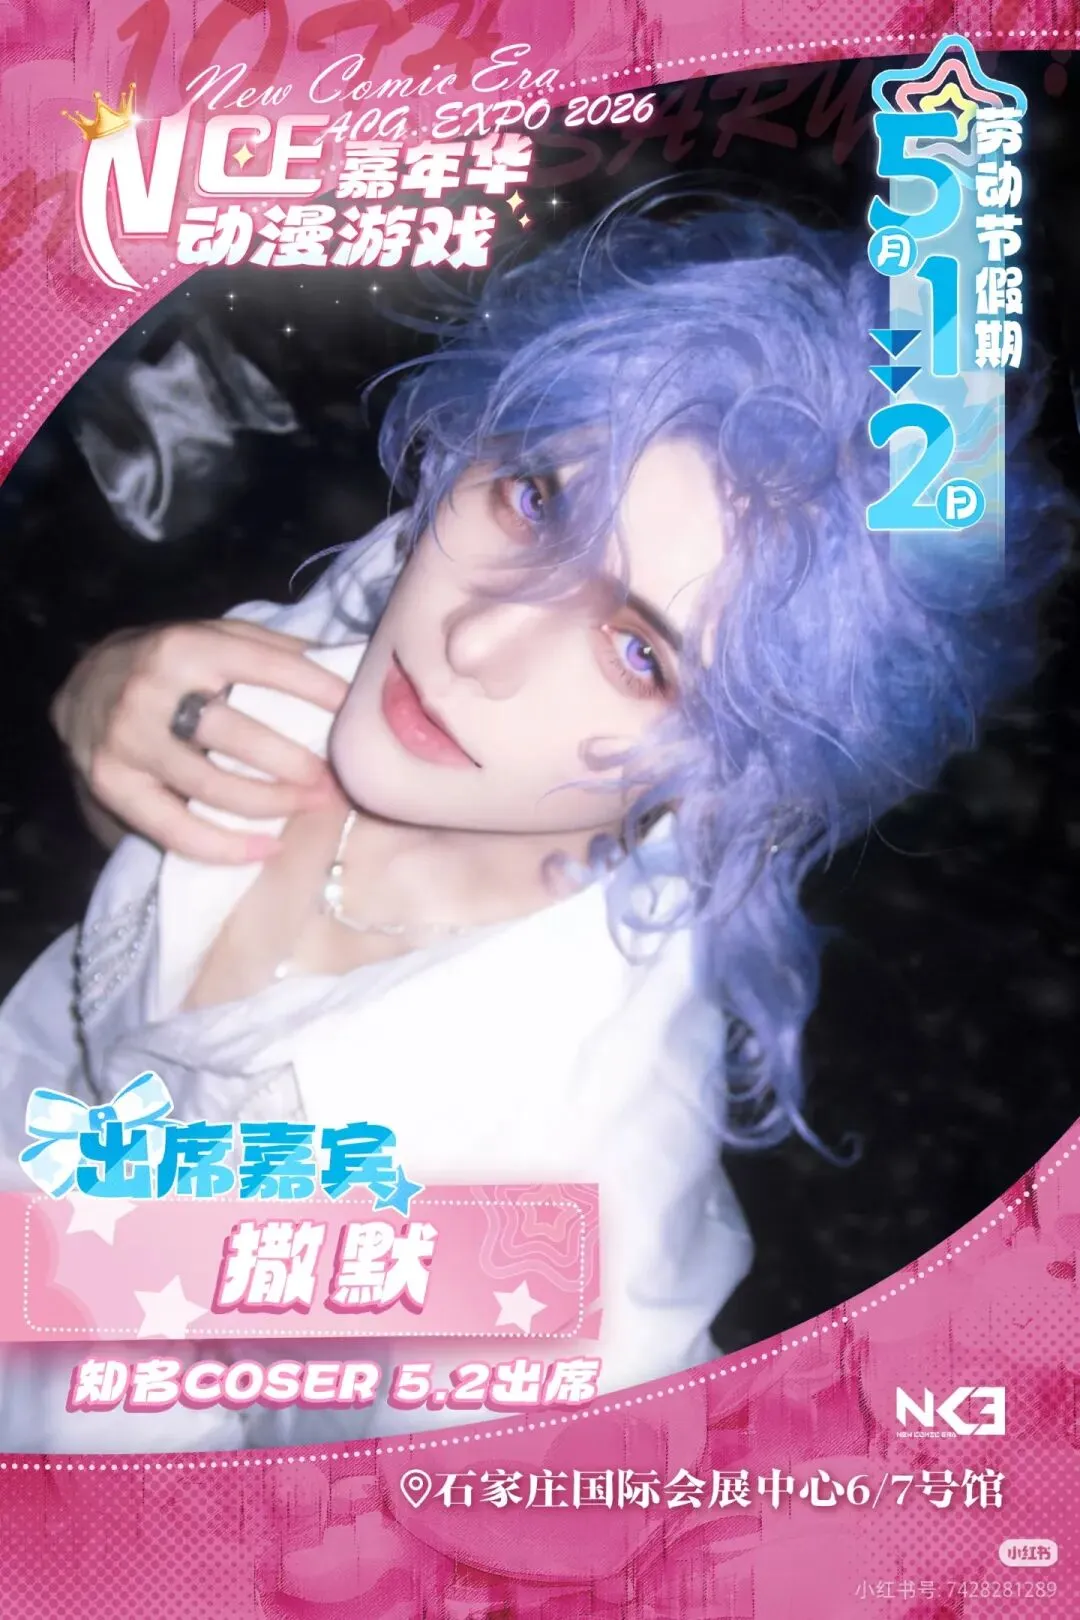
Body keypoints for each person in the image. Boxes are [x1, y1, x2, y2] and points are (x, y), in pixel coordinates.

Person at [0, 199, 1069, 1452]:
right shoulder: (387, 604)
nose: (477, 639)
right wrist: (105, 701)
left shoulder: (567, 1224)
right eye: (537, 499)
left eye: (639, 655)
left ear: (739, 777)